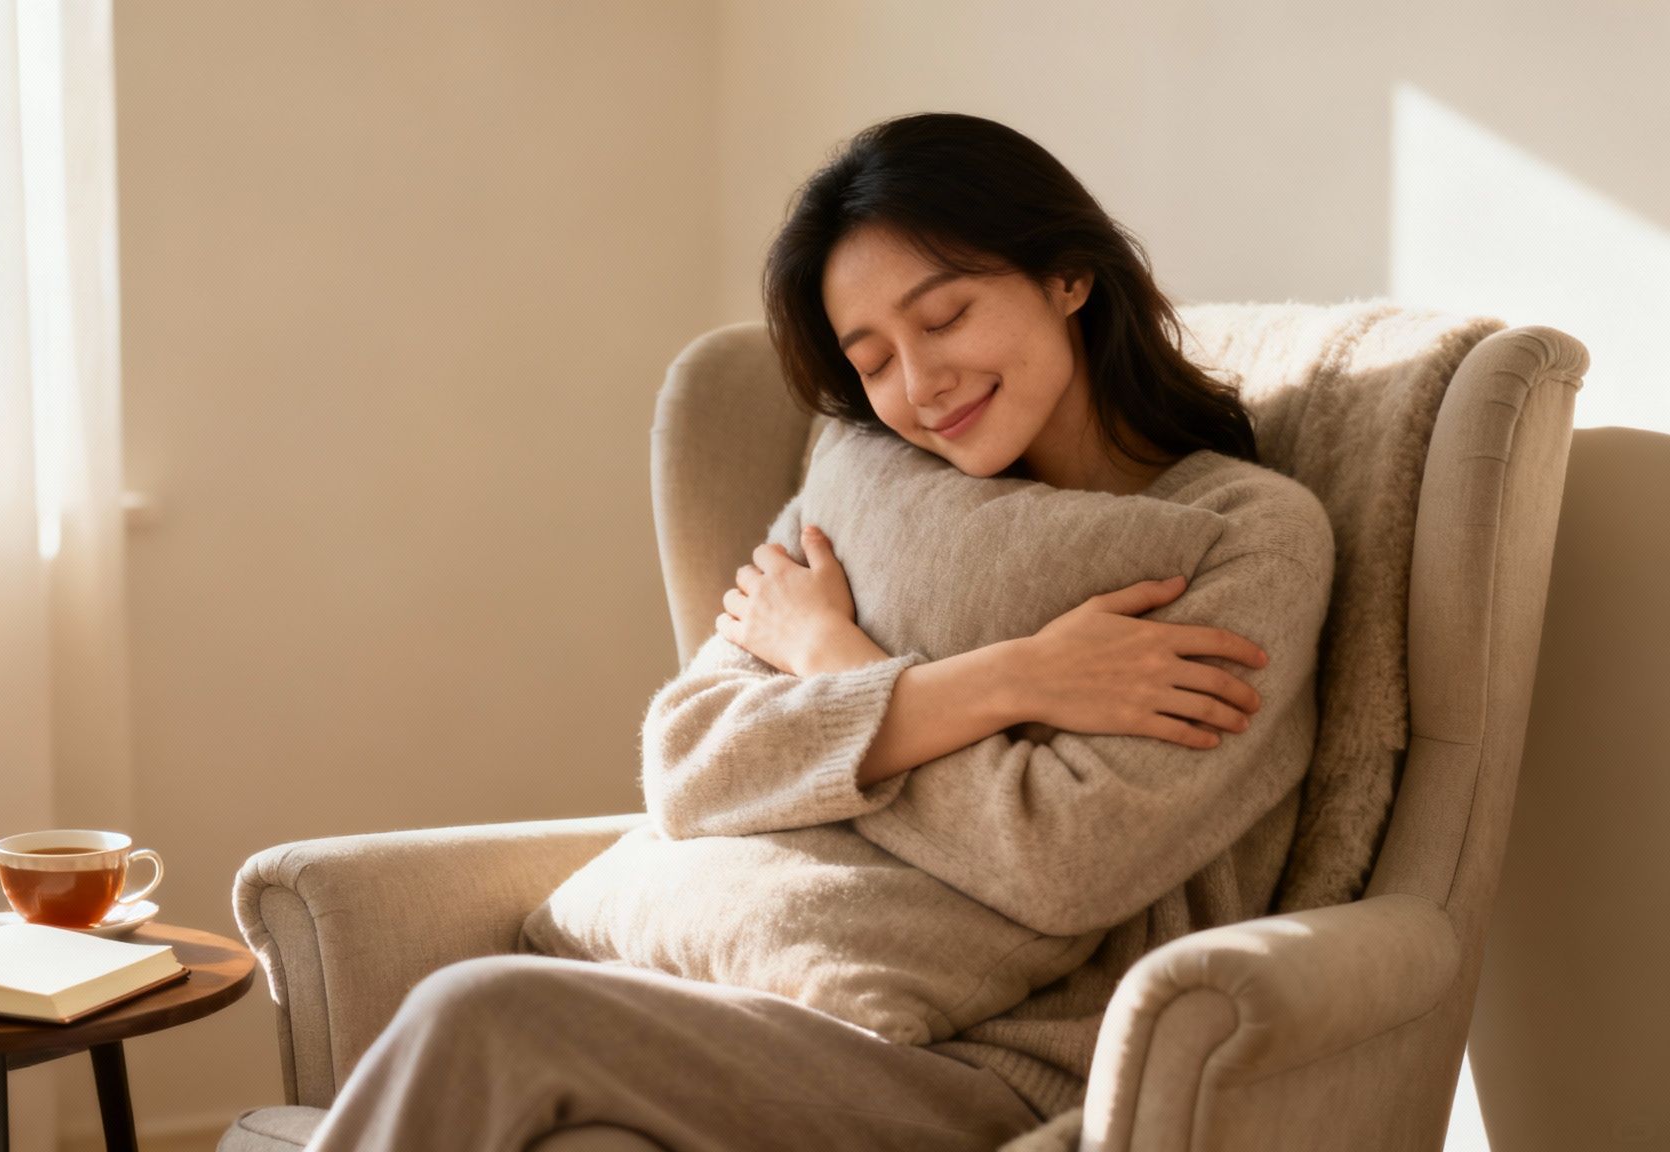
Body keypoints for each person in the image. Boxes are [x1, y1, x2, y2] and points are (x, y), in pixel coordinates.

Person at [300, 113, 1335, 1152]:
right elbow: (690, 762)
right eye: (873, 359)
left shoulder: (1247, 538)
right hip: (779, 1013)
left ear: (1067, 276)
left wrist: (827, 659)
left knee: (483, 1014)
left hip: (1002, 1070)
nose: (918, 387)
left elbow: (1061, 864)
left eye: (944, 317)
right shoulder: (872, 496)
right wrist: (1013, 680)